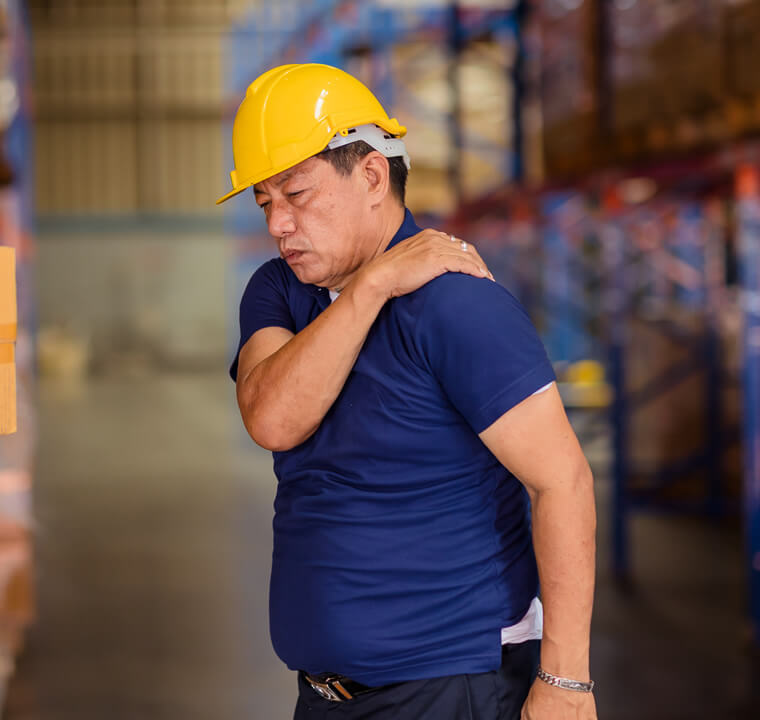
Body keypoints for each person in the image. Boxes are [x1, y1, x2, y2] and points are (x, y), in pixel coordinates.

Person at [219, 64, 598, 720]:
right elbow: (272, 419)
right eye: (264, 202)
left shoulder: (456, 305)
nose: (278, 223)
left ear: (370, 176)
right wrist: (371, 287)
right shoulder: (280, 290)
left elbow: (561, 481)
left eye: (296, 194)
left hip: (448, 688)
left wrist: (566, 683)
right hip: (326, 694)